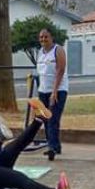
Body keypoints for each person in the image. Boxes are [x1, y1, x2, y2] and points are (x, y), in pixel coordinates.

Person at [37, 28, 69, 161]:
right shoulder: (41, 52)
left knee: (53, 119)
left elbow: (60, 70)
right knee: (45, 118)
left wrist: (54, 91)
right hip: (43, 90)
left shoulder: (58, 50)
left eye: (46, 37)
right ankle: (55, 145)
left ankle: (52, 147)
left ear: (51, 38)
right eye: (41, 37)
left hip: (57, 90)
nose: (43, 39)